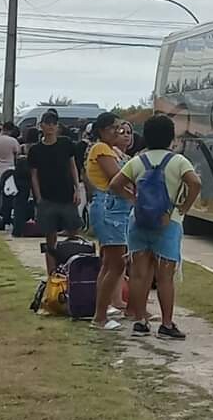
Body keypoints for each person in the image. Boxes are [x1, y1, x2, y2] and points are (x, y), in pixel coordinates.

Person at [110, 115, 201, 340]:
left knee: (139, 275)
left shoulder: (138, 161)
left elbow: (115, 184)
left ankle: (140, 320)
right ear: (171, 137)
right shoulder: (178, 161)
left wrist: (133, 200)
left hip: (139, 222)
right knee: (165, 278)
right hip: (167, 222)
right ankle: (167, 324)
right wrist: (183, 208)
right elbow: (195, 183)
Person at [86, 113, 132, 331]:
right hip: (109, 208)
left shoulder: (110, 150)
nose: (118, 132)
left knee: (109, 263)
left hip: (113, 208)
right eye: (114, 128)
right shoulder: (101, 149)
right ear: (103, 130)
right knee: (116, 263)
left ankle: (103, 310)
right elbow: (118, 178)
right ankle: (100, 317)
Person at [28, 111, 81, 273]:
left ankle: (73, 269)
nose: (51, 126)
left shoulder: (66, 144)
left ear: (57, 126)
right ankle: (52, 273)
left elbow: (73, 166)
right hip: (47, 197)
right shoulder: (35, 150)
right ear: (41, 126)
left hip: (67, 195)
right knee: (50, 237)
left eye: (53, 123)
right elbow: (34, 175)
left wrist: (77, 189)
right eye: (47, 123)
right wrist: (38, 197)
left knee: (74, 232)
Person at [12, 127, 39, 237]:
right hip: (35, 173)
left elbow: (16, 158)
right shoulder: (38, 148)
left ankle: (17, 229)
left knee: (20, 203)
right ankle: (39, 227)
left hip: (21, 174)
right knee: (38, 201)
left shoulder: (22, 147)